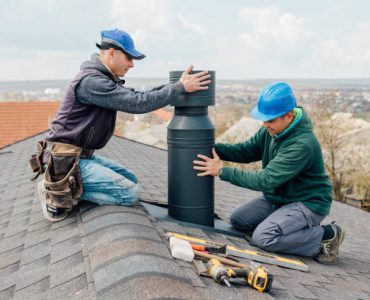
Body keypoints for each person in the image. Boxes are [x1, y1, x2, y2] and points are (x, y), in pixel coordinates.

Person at [36, 28, 210, 222]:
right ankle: (56, 192)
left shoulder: (103, 79)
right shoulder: (92, 82)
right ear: (111, 52)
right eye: (129, 58)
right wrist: (181, 88)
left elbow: (138, 95)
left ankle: (69, 187)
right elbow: (138, 103)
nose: (132, 65)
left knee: (131, 180)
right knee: (129, 193)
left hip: (80, 157)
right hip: (65, 162)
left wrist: (176, 86)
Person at [193, 82, 345, 264]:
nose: (265, 124)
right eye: (264, 119)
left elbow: (265, 180)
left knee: (263, 238)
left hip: (307, 203)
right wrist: (211, 148)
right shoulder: (272, 130)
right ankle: (284, 225)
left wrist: (221, 171)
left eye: (270, 120)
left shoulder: (301, 144)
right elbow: (246, 151)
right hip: (280, 199)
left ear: (289, 116)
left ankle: (325, 236)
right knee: (239, 220)